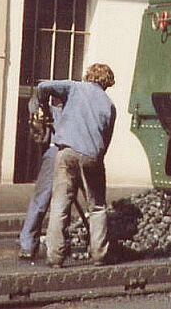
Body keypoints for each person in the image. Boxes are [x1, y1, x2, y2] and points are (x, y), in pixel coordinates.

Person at [37, 63, 117, 268]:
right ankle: (99, 255)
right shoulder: (109, 105)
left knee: (60, 204)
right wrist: (96, 158)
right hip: (92, 156)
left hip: (67, 152)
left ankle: (55, 257)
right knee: (97, 207)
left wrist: (43, 106)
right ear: (107, 82)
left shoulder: (75, 87)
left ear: (88, 76)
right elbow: (106, 140)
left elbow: (43, 86)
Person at [18, 99, 63, 260]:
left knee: (41, 200)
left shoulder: (56, 111)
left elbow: (34, 102)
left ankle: (28, 244)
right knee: (64, 202)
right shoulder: (76, 110)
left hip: (56, 153)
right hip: (80, 152)